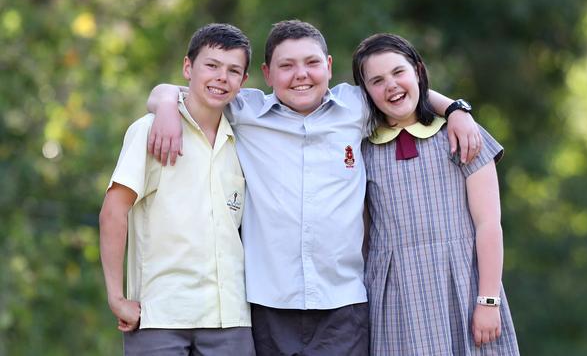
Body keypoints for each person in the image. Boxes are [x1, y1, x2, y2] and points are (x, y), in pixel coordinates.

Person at [146, 20, 481, 355]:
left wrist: (455, 109)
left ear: (329, 66)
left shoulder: (356, 107)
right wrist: (164, 107)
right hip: (268, 304)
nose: (301, 74)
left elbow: (403, 90)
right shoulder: (244, 111)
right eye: (286, 66)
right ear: (267, 73)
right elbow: (176, 92)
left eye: (311, 63)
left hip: (343, 305)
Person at [352, 33, 520, 355]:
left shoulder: (461, 135)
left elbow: (489, 225)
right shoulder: (362, 149)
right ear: (365, 92)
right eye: (377, 80)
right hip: (395, 300)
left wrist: (488, 300)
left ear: (418, 71)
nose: (391, 85)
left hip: (462, 287)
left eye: (398, 72)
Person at [98, 23, 255, 355]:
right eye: (211, 66)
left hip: (231, 319)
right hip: (160, 317)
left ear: (244, 81)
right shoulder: (149, 131)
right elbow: (114, 211)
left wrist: (165, 97)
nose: (221, 77)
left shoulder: (245, 139)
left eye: (233, 70)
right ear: (188, 67)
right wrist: (116, 298)